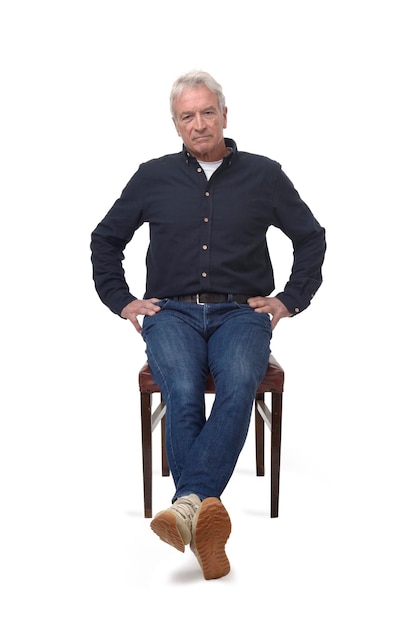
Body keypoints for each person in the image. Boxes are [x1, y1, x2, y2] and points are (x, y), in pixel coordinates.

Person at [90, 70, 326, 580]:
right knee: (179, 383)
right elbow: (105, 239)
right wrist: (123, 301)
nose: (199, 124)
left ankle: (186, 506)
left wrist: (288, 300)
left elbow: (311, 238)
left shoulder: (265, 174)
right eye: (187, 116)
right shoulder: (152, 176)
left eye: (207, 112)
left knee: (240, 379)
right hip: (170, 311)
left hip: (242, 312)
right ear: (175, 125)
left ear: (224, 114)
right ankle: (203, 512)